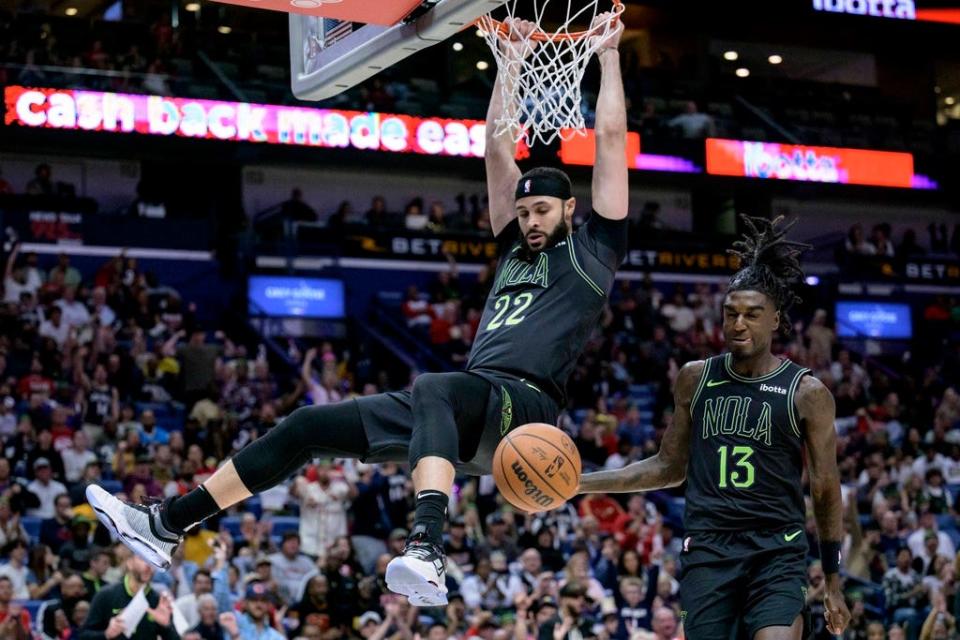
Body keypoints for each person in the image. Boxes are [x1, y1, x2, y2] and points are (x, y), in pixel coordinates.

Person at [86, 11, 629, 609]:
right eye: (524, 213)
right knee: (306, 427)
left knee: (435, 387)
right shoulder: (512, 247)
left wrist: (607, 56)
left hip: (524, 407)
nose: (529, 221)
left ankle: (427, 547)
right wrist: (512, 60)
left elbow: (607, 143)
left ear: (569, 211)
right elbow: (497, 149)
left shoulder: (594, 250)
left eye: (542, 212)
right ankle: (165, 524)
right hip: (469, 409)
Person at [578, 216, 852, 639]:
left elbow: (825, 488)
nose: (738, 324)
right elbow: (669, 467)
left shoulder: (806, 392)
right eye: (731, 314)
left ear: (776, 320)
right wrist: (580, 483)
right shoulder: (695, 377)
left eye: (752, 315)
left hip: (776, 548)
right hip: (709, 550)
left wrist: (832, 579)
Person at [79, 554, 178, 640]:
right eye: (143, 558)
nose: (149, 565)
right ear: (129, 563)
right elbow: (83, 636)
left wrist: (166, 626)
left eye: (153, 561)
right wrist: (106, 634)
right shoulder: (106, 594)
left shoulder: (158, 601)